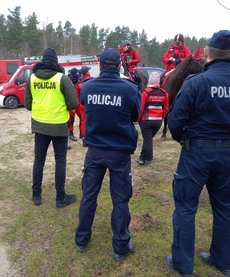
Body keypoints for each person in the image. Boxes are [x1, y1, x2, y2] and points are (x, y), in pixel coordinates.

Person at [165, 30, 230, 277]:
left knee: (186, 207)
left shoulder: (196, 82)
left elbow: (174, 120)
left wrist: (183, 139)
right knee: (225, 207)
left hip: (196, 152)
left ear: (206, 53)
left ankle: (183, 265)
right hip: (226, 153)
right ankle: (224, 261)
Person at [75, 48, 141, 262]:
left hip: (95, 150)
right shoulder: (129, 89)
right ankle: (120, 246)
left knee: (89, 195)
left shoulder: (88, 87)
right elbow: (135, 115)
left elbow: (86, 106)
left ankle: (82, 240)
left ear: (100, 65)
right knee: (120, 199)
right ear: (120, 65)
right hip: (119, 152)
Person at [24, 47, 78, 208]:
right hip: (59, 126)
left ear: (42, 60)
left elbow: (27, 104)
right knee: (60, 161)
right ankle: (60, 198)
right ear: (56, 61)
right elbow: (73, 103)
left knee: (38, 161)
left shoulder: (32, 78)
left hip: (40, 126)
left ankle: (36, 195)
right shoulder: (62, 78)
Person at [136, 71, 169, 166]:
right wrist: (161, 118)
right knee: (148, 139)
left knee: (148, 140)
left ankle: (148, 159)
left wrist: (138, 118)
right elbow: (166, 109)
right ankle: (142, 157)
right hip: (158, 121)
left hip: (145, 120)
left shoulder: (146, 93)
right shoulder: (164, 94)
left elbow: (141, 107)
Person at [75, 66, 93, 146]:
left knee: (83, 121)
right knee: (93, 121)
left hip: (82, 104)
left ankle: (84, 139)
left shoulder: (79, 82)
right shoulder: (91, 80)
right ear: (87, 72)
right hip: (91, 103)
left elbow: (77, 94)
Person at [67, 67, 81, 141]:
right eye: (77, 73)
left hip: (78, 101)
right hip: (72, 103)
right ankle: (71, 133)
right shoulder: (69, 81)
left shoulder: (77, 80)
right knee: (71, 119)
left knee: (81, 117)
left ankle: (81, 133)